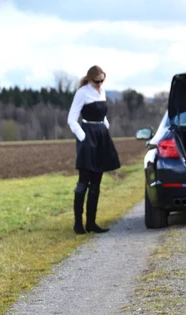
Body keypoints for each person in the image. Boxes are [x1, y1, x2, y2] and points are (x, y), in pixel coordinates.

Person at [67, 65, 121, 234]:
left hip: (101, 137)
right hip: (87, 137)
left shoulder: (101, 91)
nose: (100, 84)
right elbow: (71, 119)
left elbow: (101, 113)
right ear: (90, 79)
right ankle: (78, 224)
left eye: (102, 80)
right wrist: (83, 137)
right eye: (97, 81)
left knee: (96, 182)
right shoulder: (82, 92)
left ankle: (91, 223)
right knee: (84, 180)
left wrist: (105, 125)